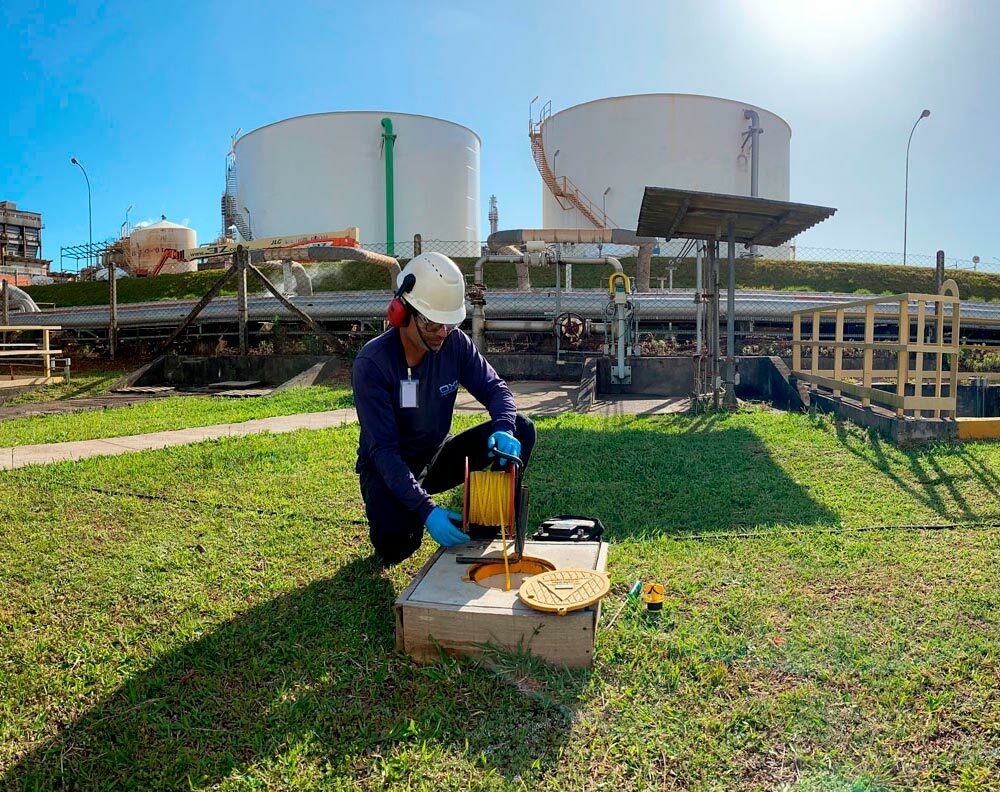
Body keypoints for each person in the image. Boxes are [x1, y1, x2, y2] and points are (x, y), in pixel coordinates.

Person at [352, 252, 536, 565]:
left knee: (522, 427)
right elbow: (383, 451)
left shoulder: (455, 344)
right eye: (433, 323)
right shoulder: (372, 365)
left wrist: (504, 427)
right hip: (388, 468)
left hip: (436, 457)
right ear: (402, 313)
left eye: (450, 323)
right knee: (397, 546)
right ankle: (404, 519)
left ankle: (482, 524)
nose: (443, 332)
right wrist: (427, 511)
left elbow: (495, 389)